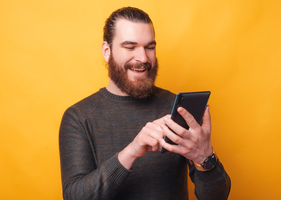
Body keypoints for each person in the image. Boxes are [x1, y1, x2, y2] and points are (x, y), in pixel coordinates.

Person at [59, 7, 231, 200]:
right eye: (130, 47)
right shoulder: (78, 118)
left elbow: (216, 197)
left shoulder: (178, 109)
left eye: (149, 47)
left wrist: (205, 158)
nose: (143, 58)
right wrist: (131, 152)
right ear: (107, 51)